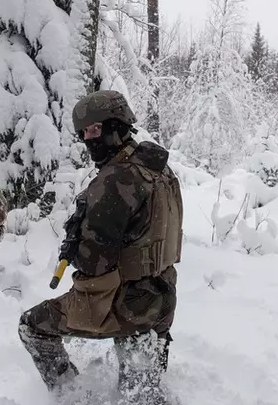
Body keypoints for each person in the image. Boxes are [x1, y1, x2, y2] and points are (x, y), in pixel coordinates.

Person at [18, 90, 183, 405]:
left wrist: (77, 245)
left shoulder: (114, 180)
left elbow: (95, 263)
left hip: (125, 303)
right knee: (143, 394)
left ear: (117, 125)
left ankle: (71, 396)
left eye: (94, 129)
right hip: (162, 297)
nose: (87, 138)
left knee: (32, 326)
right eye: (83, 132)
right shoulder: (157, 167)